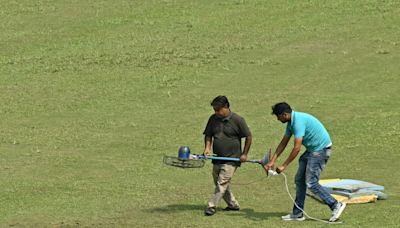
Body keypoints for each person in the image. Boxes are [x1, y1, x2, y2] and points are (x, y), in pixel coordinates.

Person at [264, 102, 346, 222]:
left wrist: (284, 165)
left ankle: (335, 204)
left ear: (285, 114)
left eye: (278, 116)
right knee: (300, 180)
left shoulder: (298, 122)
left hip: (321, 149)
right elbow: (284, 143)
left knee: (311, 183)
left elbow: (296, 148)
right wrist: (272, 161)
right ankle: (297, 213)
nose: (277, 119)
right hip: (312, 150)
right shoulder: (291, 122)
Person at [203, 95, 252, 216]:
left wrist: (244, 154)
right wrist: (207, 148)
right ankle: (233, 205)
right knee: (220, 183)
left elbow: (248, 137)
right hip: (217, 158)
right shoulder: (213, 119)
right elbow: (208, 135)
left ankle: (211, 206)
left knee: (222, 182)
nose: (216, 112)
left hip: (232, 158)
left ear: (226, 107)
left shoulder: (238, 120)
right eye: (214, 110)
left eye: (218, 110)